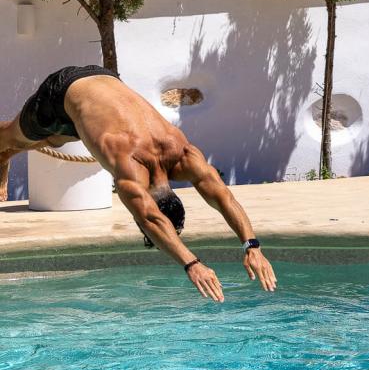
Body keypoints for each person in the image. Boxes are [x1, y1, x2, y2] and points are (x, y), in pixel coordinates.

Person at [0, 65, 277, 302]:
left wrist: (252, 246)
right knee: (12, 137)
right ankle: (4, 153)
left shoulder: (181, 154)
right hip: (63, 91)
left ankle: (8, 155)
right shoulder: (130, 171)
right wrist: (192, 264)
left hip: (103, 81)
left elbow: (223, 196)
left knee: (55, 140)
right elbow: (150, 218)